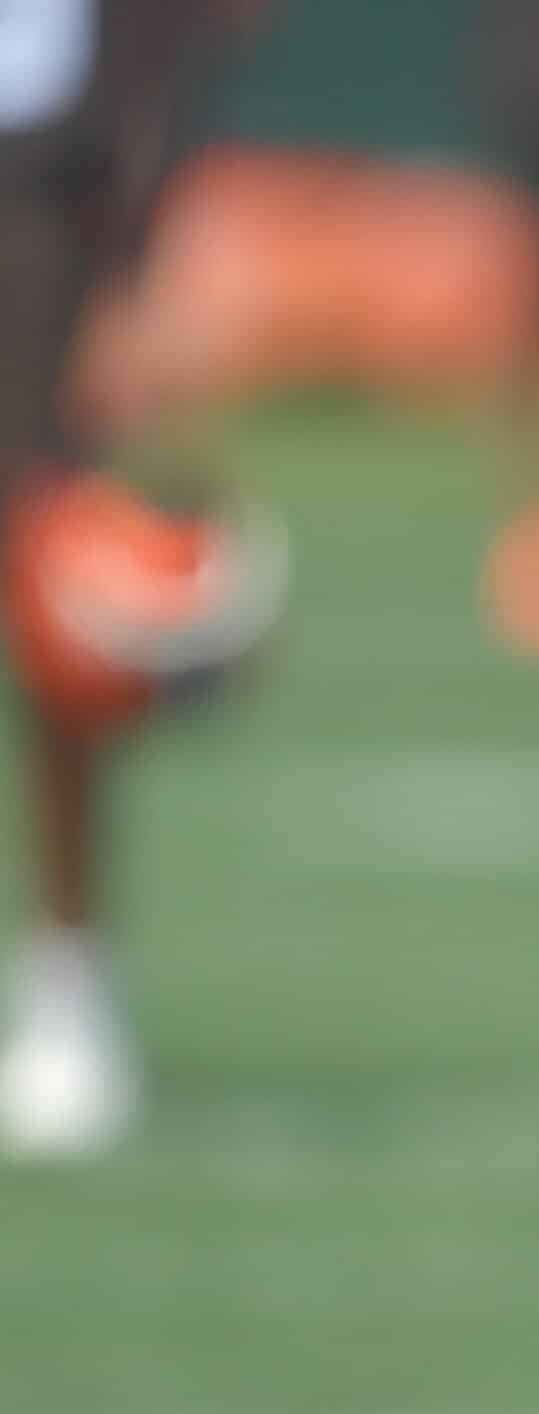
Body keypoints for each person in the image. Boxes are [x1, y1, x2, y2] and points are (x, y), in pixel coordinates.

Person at [1, 0, 268, 1160]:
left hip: (40, 223)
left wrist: (134, 283)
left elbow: (160, 40)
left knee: (58, 615)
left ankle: (69, 979)